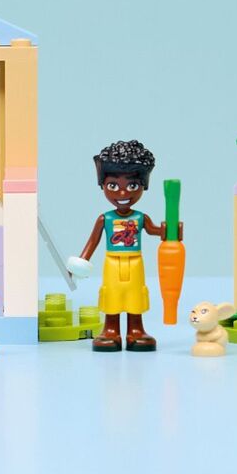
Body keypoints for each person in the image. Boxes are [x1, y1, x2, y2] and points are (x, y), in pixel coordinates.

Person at [68, 139, 179, 353]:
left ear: (143, 186)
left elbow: (155, 231)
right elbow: (92, 242)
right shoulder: (105, 219)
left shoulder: (140, 217)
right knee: (112, 294)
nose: (122, 193)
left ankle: (135, 330)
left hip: (135, 263)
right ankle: (111, 330)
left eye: (132, 186)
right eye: (113, 186)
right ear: (103, 185)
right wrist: (80, 263)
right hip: (112, 263)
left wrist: (170, 229)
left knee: (135, 294)